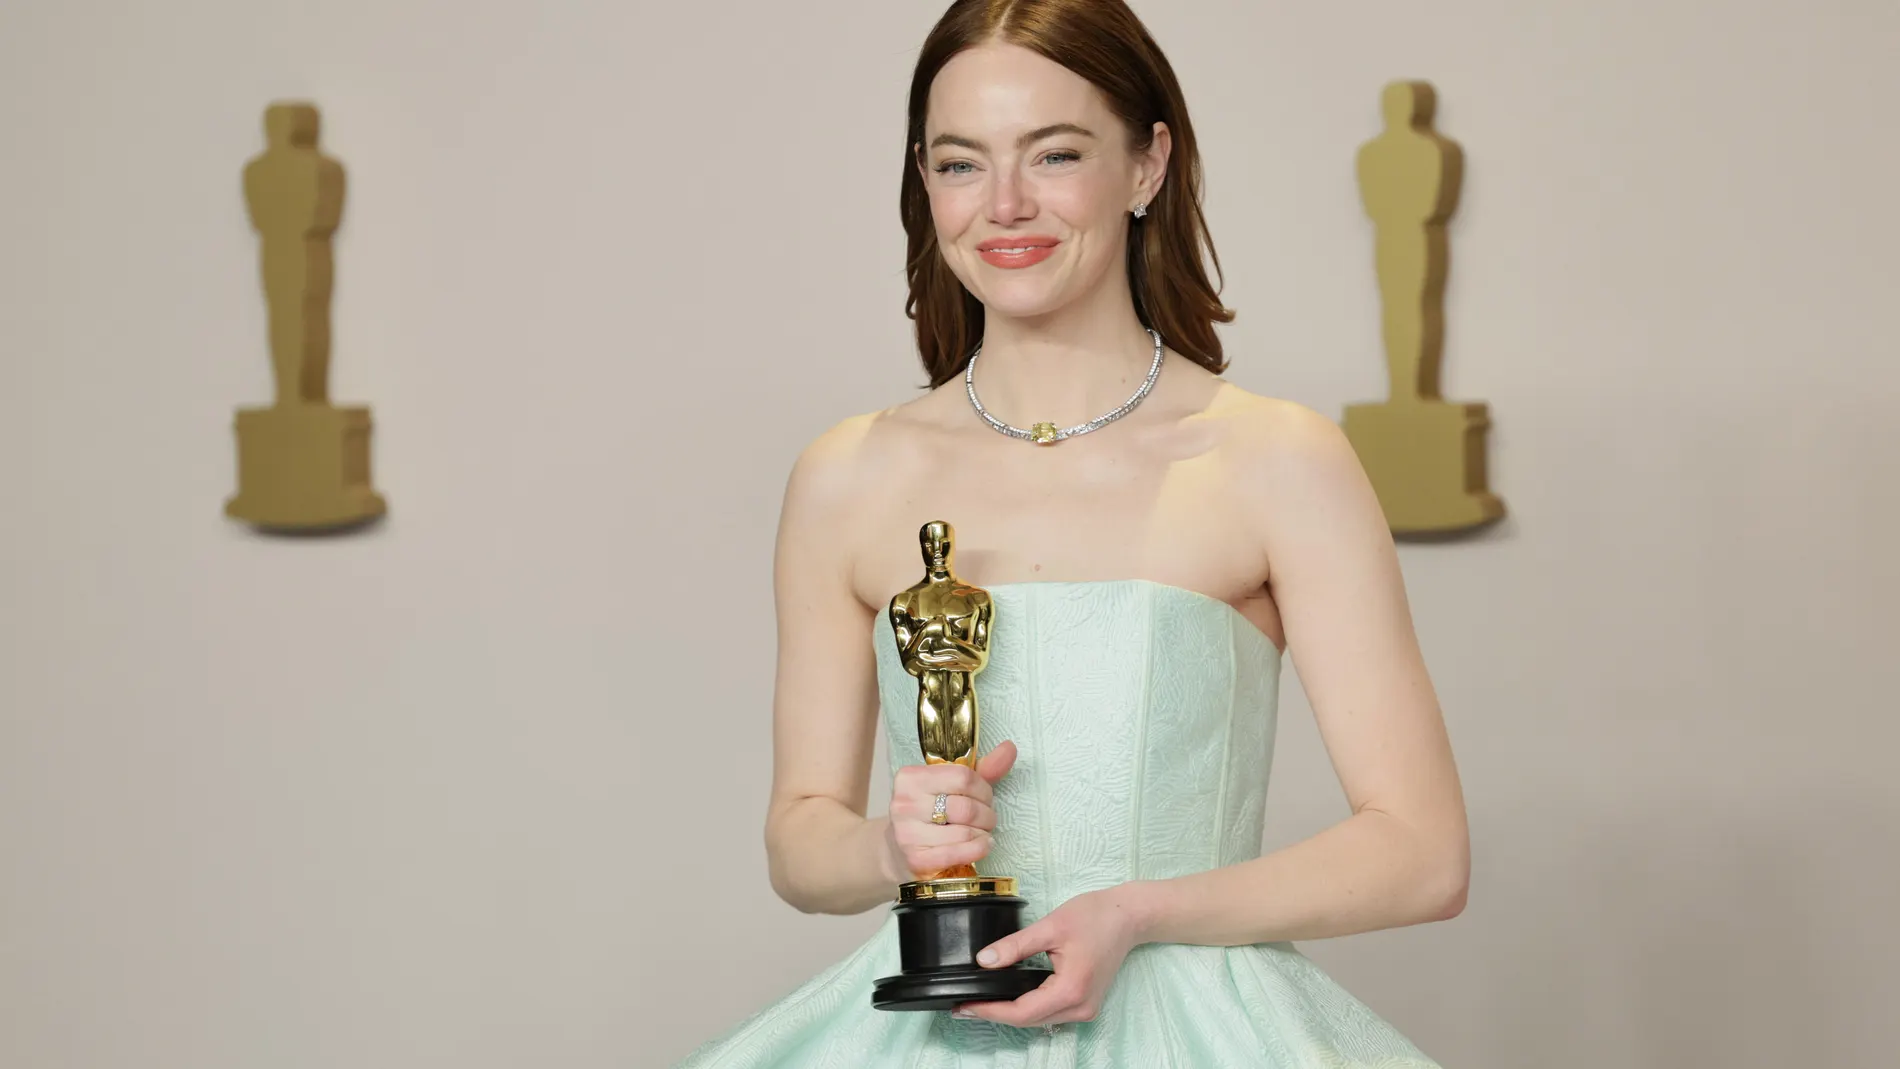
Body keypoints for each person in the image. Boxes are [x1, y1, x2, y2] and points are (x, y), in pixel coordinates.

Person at [678, 1, 1467, 1064]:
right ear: (924, 181)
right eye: (961, 164)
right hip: (929, 1023)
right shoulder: (847, 476)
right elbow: (799, 840)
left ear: (1147, 164)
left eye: (1054, 154)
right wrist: (890, 843)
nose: (1005, 204)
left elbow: (1422, 853)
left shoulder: (1276, 460)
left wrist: (1140, 910)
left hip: (1196, 1025)